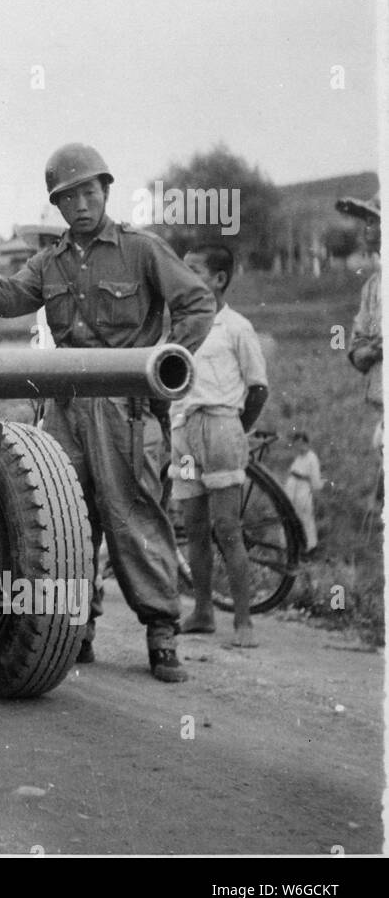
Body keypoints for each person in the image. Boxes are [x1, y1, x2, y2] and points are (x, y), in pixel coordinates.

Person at [0, 143, 216, 682]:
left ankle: (161, 633)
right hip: (64, 405)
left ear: (105, 191)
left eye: (88, 192)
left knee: (132, 516)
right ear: (57, 207)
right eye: (68, 197)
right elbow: (8, 297)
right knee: (67, 521)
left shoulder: (141, 250)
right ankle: (78, 628)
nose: (80, 204)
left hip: (123, 407)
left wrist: (165, 363)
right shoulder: (49, 261)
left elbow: (196, 302)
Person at [170, 244, 269, 647]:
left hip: (222, 429)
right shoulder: (180, 326)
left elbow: (258, 389)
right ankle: (203, 612)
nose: (185, 275)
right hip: (185, 432)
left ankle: (243, 621)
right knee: (193, 525)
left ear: (219, 279)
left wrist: (233, 430)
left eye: (194, 270)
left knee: (227, 527)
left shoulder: (236, 327)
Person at [336, 193, 382, 507]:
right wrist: (369, 351)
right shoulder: (373, 287)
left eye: (375, 220)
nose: (368, 228)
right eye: (366, 220)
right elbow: (357, 347)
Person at [284, 432, 321, 556]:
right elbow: (291, 472)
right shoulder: (298, 458)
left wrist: (300, 476)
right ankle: (292, 546)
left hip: (303, 490)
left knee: (306, 517)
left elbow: (315, 480)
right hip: (293, 489)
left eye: (301, 444)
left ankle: (310, 547)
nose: (299, 447)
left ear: (306, 443)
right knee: (292, 517)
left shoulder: (312, 458)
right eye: (296, 444)